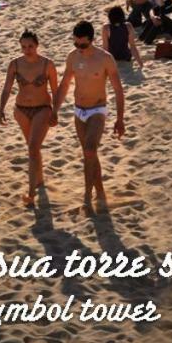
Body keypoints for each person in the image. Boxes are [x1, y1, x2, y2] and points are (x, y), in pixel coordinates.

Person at [53, 21, 126, 208]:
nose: (79, 48)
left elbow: (118, 90)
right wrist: (54, 110)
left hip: (97, 109)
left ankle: (88, 195)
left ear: (92, 40)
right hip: (79, 110)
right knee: (89, 154)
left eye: (83, 45)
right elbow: (64, 85)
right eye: (75, 44)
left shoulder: (105, 59)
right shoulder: (72, 57)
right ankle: (98, 190)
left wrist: (120, 119)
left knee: (90, 149)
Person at [0, 30, 59, 206]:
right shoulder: (15, 64)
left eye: (30, 46)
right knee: (33, 147)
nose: (27, 50)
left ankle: (31, 193)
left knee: (33, 147)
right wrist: (1, 109)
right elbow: (7, 88)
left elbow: (55, 91)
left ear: (37, 45)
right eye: (23, 46)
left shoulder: (48, 64)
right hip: (21, 110)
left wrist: (55, 111)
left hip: (42, 109)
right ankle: (39, 181)